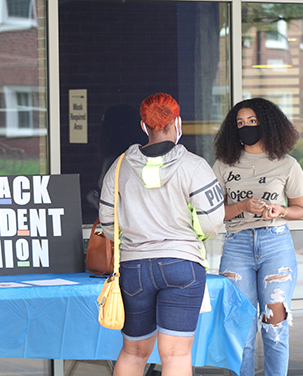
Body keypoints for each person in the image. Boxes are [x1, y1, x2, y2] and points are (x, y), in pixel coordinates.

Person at [99, 93, 224, 376]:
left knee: (133, 351)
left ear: (144, 126)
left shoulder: (119, 167)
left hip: (134, 268)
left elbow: (108, 223)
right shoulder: (194, 166)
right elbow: (212, 221)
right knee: (176, 354)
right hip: (183, 265)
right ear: (177, 122)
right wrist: (195, 236)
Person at [212, 97, 303, 376]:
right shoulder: (223, 164)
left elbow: (300, 209)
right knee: (239, 328)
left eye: (252, 121)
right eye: (240, 123)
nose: (246, 127)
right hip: (236, 246)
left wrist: (281, 210)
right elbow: (212, 214)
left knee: (275, 328)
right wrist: (240, 207)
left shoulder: (287, 164)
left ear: (267, 123)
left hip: (275, 244)